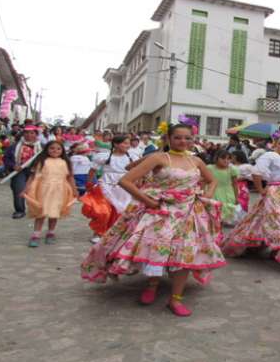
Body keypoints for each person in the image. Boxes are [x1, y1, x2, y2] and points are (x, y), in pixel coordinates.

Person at [81, 124, 225, 317]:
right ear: (168, 138)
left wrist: (206, 195)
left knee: (185, 254)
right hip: (160, 212)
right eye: (178, 137)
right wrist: (148, 201)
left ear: (193, 139)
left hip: (189, 213)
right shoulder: (158, 157)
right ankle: (152, 285)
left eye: (187, 138)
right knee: (156, 249)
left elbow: (212, 180)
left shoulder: (196, 160)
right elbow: (126, 180)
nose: (183, 141)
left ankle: (175, 299)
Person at [220, 134, 280, 272]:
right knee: (278, 223)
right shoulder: (269, 156)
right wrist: (261, 190)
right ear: (275, 144)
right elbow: (256, 173)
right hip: (276, 193)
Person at [82, 135, 138, 243]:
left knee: (122, 209)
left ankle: (118, 233)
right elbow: (93, 169)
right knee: (104, 210)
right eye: (125, 143)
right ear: (116, 144)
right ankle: (98, 233)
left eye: (128, 143)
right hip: (107, 184)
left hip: (125, 185)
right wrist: (89, 182)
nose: (128, 145)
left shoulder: (132, 157)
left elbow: (138, 170)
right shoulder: (105, 156)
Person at [22, 141, 77, 247]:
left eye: (58, 149)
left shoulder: (64, 162)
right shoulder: (41, 161)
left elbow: (70, 177)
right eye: (52, 148)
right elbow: (32, 176)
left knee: (54, 212)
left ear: (62, 151)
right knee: (41, 212)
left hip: (59, 191)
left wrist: (74, 190)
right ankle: (35, 234)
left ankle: (50, 233)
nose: (55, 151)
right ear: (46, 149)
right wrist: (26, 189)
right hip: (43, 190)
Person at [5, 126, 43, 219]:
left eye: (32, 133)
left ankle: (36, 210)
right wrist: (13, 165)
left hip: (36, 172)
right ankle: (19, 210)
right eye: (26, 133)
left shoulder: (42, 147)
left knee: (36, 191)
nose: (29, 135)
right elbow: (6, 158)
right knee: (19, 189)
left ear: (36, 134)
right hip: (19, 171)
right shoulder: (15, 146)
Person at [208, 150, 241, 226]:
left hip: (228, 192)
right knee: (215, 208)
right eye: (223, 158)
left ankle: (224, 221)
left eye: (228, 158)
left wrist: (236, 197)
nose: (226, 160)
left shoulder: (232, 169)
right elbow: (205, 181)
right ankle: (216, 221)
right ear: (216, 158)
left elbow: (235, 184)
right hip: (214, 191)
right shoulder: (210, 168)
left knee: (227, 207)